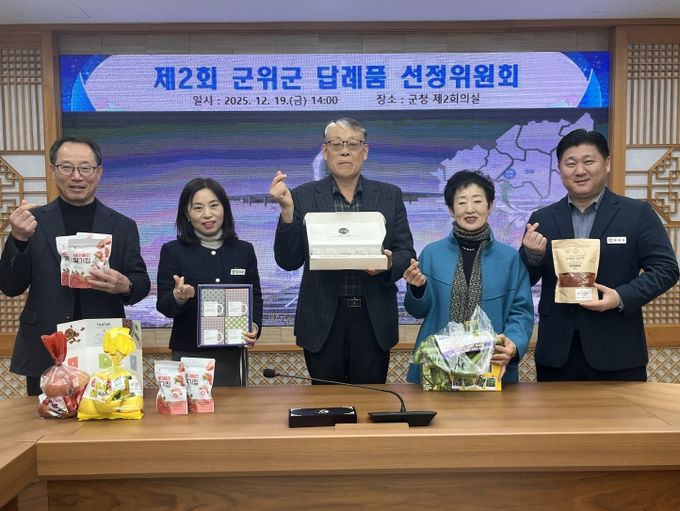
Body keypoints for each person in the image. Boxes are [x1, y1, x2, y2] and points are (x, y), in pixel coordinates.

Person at [520, 129, 679, 381]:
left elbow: (666, 269)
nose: (579, 170)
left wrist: (621, 297)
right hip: (557, 352)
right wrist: (533, 256)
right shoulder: (543, 219)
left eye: (588, 161)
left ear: (607, 163)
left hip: (618, 349)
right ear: (559, 169)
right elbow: (522, 279)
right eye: (570, 163)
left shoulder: (636, 214)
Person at [0, 136, 151, 395]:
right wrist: (18, 239)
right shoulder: (32, 222)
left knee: (105, 416)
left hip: (104, 346)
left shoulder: (123, 226)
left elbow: (141, 283)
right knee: (48, 418)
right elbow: (10, 287)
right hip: (46, 344)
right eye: (67, 167)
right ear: (53, 170)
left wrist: (125, 285)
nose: (77, 176)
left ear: (98, 172)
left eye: (85, 168)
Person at [270, 117, 416, 384]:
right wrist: (287, 211)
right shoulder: (302, 196)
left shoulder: (390, 195)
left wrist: (388, 263)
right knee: (326, 401)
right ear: (326, 152)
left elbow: (406, 252)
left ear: (365, 151)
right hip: (322, 319)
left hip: (372, 319)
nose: (345, 151)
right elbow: (288, 261)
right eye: (337, 145)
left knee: (372, 398)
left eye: (352, 144)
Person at [404, 170, 534, 384]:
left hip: (491, 366)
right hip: (438, 368)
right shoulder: (431, 254)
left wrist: (513, 343)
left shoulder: (510, 258)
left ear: (490, 206)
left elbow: (521, 312)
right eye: (462, 202)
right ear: (451, 209)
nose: (470, 209)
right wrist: (417, 289)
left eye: (477, 201)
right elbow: (417, 310)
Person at [157, 177, 262, 387]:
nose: (207, 214)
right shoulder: (172, 251)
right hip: (188, 355)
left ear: (225, 209)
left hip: (231, 356)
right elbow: (164, 306)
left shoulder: (244, 251)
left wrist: (253, 326)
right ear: (186, 214)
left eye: (214, 205)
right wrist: (179, 297)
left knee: (233, 408)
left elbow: (255, 297)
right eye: (198, 208)